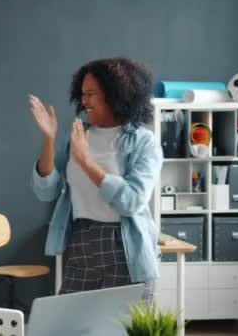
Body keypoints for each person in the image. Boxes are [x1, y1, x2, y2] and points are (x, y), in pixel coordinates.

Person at [29, 57, 162, 303]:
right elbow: (47, 191)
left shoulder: (144, 142)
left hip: (125, 247)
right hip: (82, 241)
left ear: (115, 95)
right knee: (69, 325)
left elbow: (132, 201)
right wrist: (49, 138)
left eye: (91, 94)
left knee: (118, 329)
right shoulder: (80, 137)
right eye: (82, 94)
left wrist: (86, 163)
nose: (84, 101)